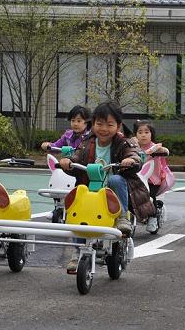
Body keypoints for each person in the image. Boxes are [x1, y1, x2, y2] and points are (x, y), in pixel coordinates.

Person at [60, 101, 155, 272]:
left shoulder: (123, 143)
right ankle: (77, 252)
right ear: (93, 124)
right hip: (91, 189)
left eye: (109, 124)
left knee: (116, 180)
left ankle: (122, 217)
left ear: (118, 126)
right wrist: (69, 162)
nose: (104, 128)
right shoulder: (87, 142)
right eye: (99, 124)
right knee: (80, 216)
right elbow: (76, 157)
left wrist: (131, 160)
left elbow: (134, 154)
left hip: (112, 192)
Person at [133, 119, 175, 232]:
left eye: (146, 132)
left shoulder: (154, 147)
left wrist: (162, 150)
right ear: (135, 135)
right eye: (140, 132)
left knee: (150, 197)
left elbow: (165, 151)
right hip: (136, 178)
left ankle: (153, 218)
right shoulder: (133, 147)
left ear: (152, 134)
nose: (143, 135)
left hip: (152, 179)